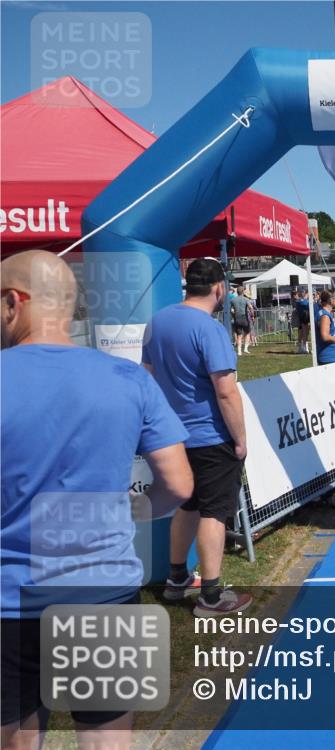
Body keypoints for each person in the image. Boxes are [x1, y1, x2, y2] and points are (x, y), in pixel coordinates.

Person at [2, 250, 192, 748]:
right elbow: (178, 484)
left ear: (12, 303)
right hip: (103, 590)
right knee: (107, 741)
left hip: (9, 600)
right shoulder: (128, 379)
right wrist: (132, 510)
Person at [143, 258, 253, 616]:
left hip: (172, 436)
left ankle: (177, 579)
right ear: (219, 288)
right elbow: (226, 391)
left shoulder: (158, 322)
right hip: (209, 435)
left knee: (187, 506)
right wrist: (240, 439)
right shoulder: (209, 329)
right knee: (214, 512)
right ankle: (210, 595)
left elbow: (148, 374)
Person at [314, 290, 335, 365]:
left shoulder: (327, 313)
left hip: (332, 354)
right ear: (330, 300)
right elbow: (325, 336)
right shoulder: (325, 316)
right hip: (329, 356)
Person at [231, 285, 252, 356]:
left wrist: (233, 316)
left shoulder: (233, 300)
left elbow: (231, 310)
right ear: (243, 292)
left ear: (237, 292)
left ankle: (239, 351)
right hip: (244, 318)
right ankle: (245, 349)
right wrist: (252, 315)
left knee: (239, 335)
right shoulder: (246, 299)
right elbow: (250, 307)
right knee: (248, 333)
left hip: (237, 318)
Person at [294, 290, 312, 354]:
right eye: (303, 292)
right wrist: (308, 300)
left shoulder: (306, 301)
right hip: (303, 319)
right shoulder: (300, 301)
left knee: (306, 333)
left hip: (307, 319)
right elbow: (303, 304)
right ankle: (303, 347)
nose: (303, 293)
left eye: (304, 293)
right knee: (302, 333)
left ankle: (303, 347)